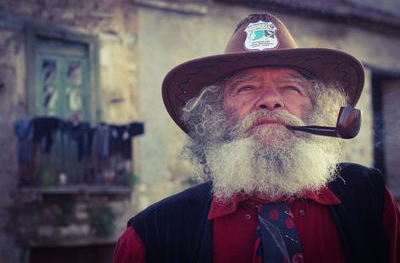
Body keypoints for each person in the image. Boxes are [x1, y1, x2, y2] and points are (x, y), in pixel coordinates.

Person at [113, 13, 400, 263]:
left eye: (290, 88)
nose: (270, 100)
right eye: (247, 88)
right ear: (215, 112)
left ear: (315, 108)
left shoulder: (370, 201)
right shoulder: (151, 237)